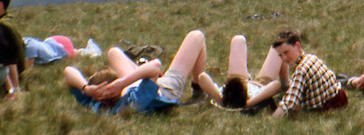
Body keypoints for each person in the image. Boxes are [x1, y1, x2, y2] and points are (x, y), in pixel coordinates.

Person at [64, 30, 207, 114]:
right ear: (114, 90)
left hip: (137, 84)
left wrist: (87, 89)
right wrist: (122, 83)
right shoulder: (134, 102)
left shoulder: (95, 103)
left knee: (113, 52)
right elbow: (156, 67)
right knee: (196, 36)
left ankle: (140, 70)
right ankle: (198, 91)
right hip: (163, 89)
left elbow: (68, 71)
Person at [198, 35, 288, 110]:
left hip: (236, 81)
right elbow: (277, 85)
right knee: (280, 46)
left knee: (238, 39)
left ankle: (244, 77)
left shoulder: (225, 95)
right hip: (260, 84)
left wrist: (221, 100)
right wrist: (248, 104)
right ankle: (287, 84)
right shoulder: (254, 96)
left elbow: (202, 77)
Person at [272, 30, 347, 117]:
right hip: (340, 95)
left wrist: (272, 119)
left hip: (330, 105)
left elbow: (289, 102)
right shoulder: (311, 57)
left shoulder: (301, 70)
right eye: (280, 55)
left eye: (286, 52)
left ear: (297, 46)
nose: (284, 58)